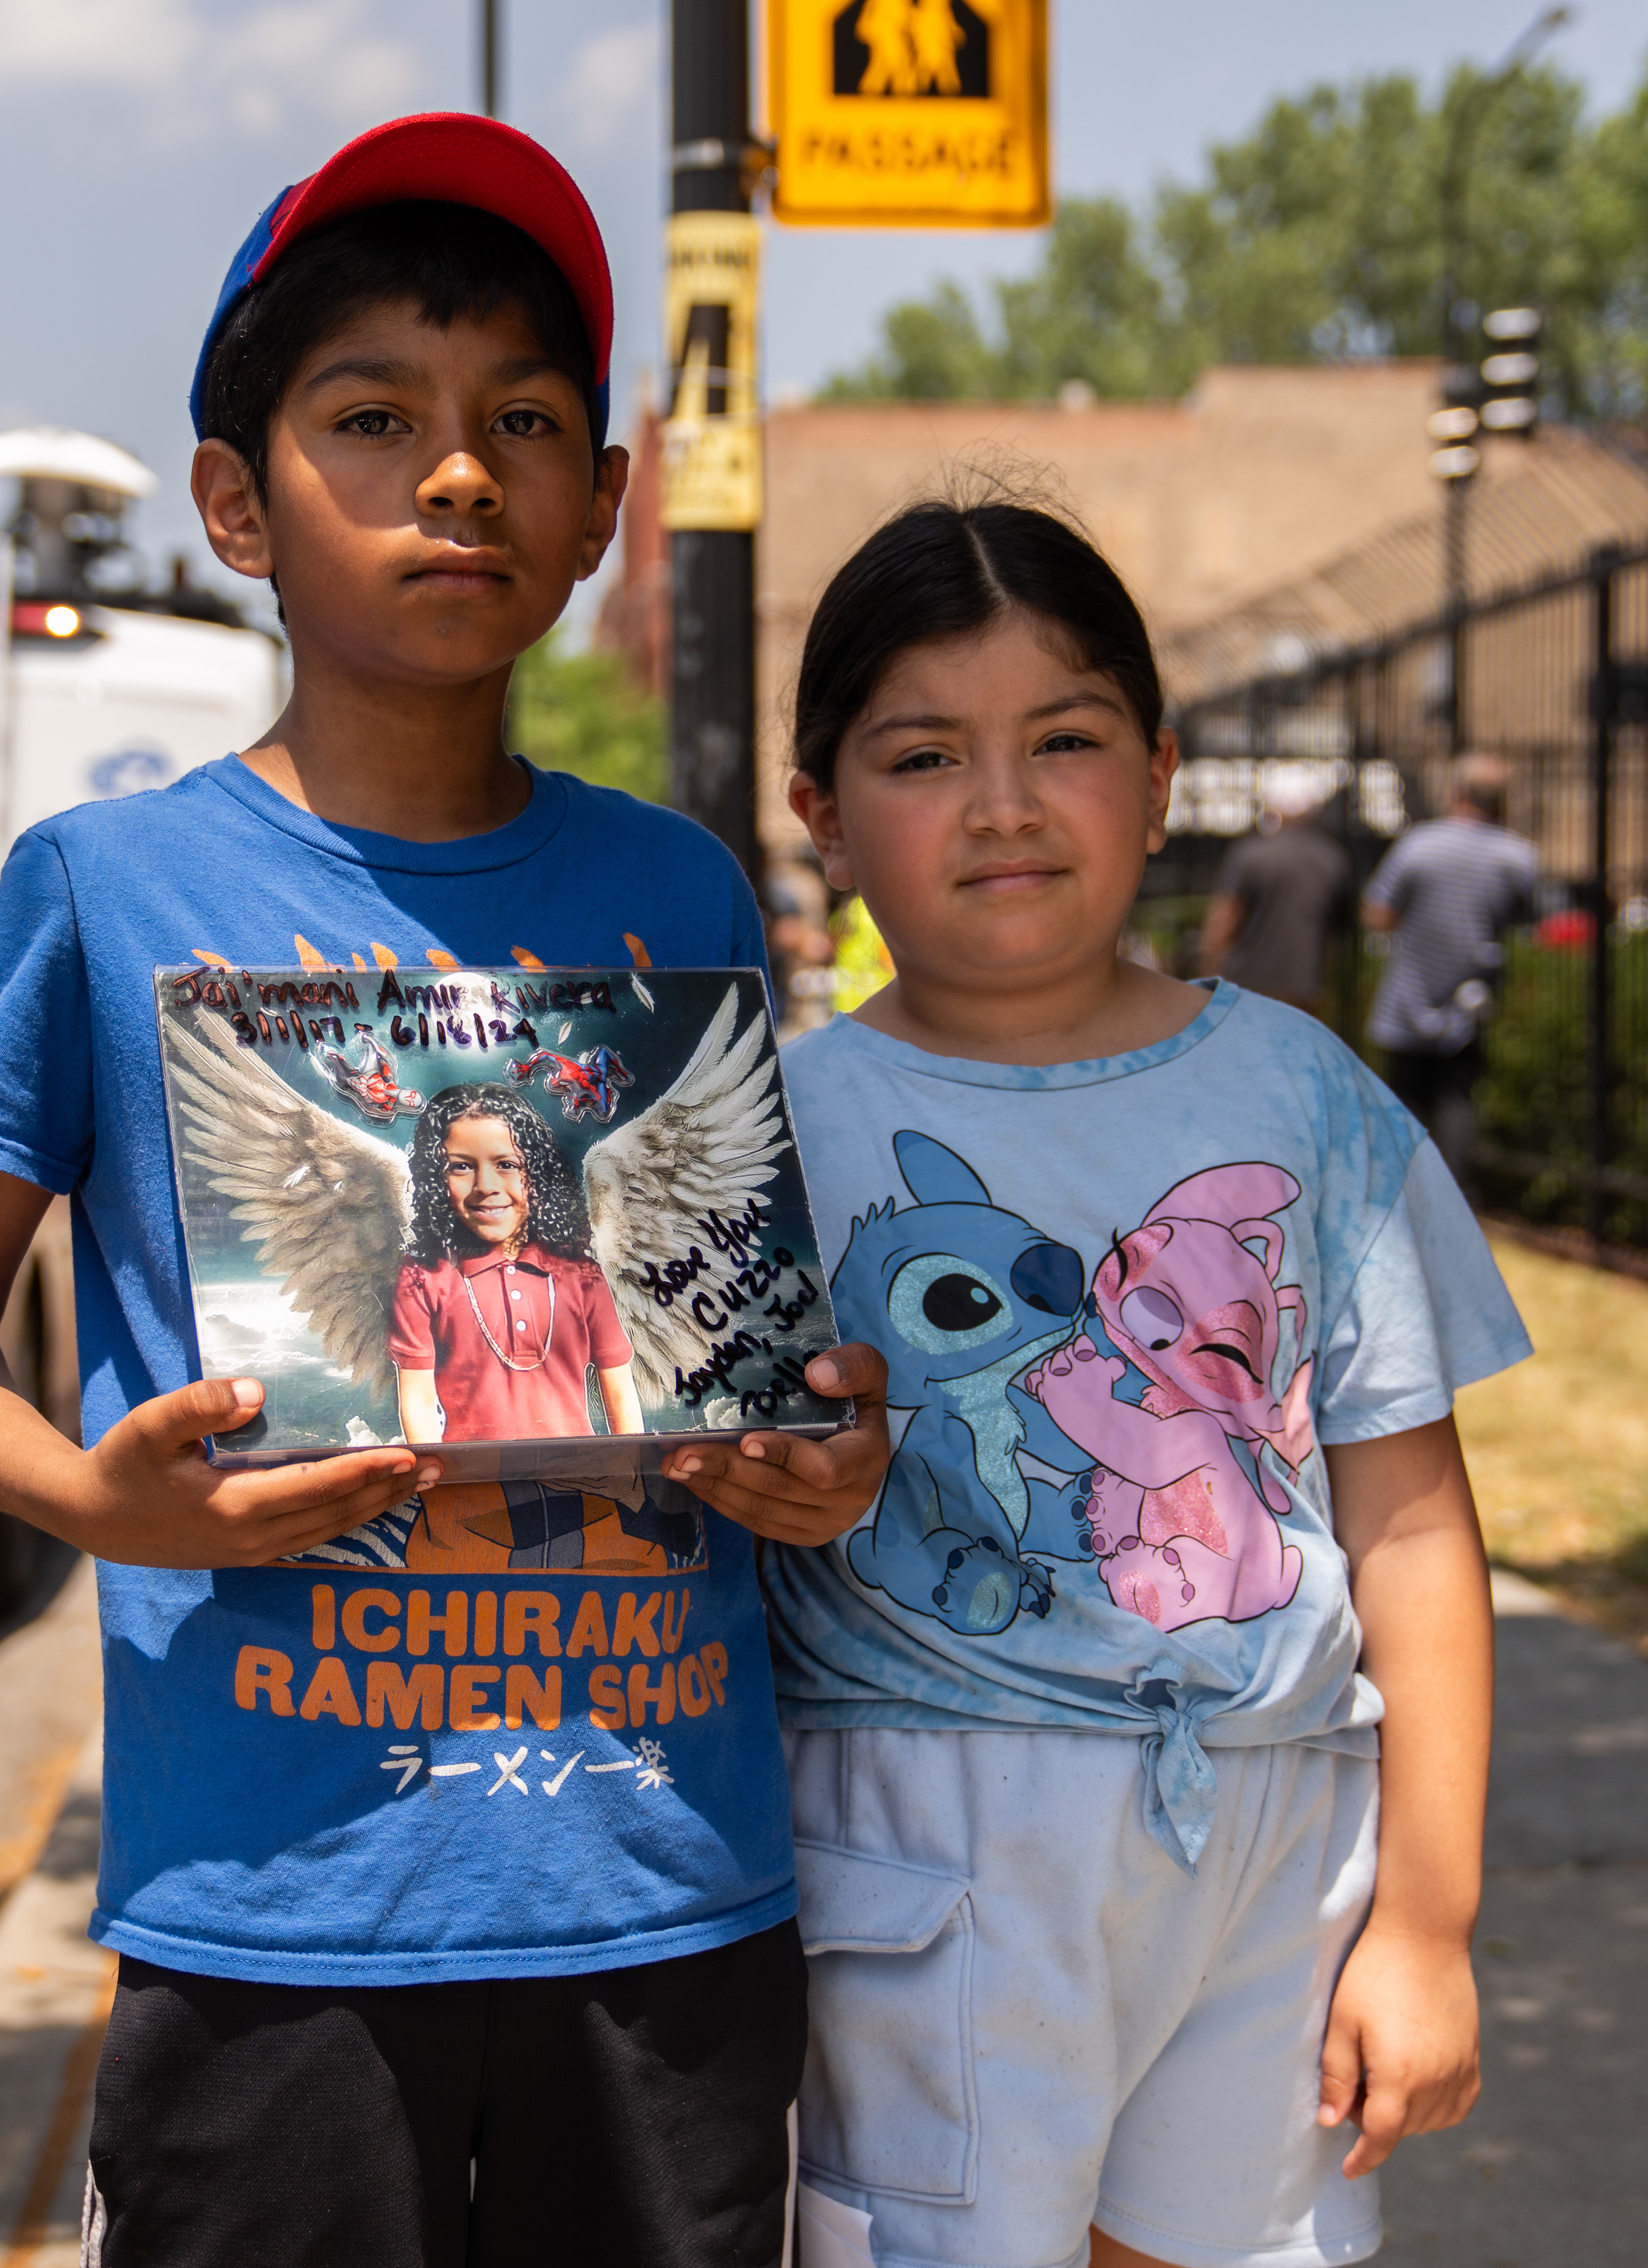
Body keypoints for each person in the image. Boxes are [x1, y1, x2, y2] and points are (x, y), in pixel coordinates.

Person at [0, 114, 891, 2268]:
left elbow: (732, 1323)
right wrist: (91, 1500)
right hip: (272, 1921)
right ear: (234, 499)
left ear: (602, 506)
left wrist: (819, 1454)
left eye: (524, 417)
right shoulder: (103, 888)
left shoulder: (674, 889)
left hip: (666, 1900)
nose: (454, 469)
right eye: (370, 417)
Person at [760, 489, 1531, 2268]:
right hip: (934, 1828)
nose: (1007, 801)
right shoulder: (780, 1121)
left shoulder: (1304, 1095)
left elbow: (1409, 1525)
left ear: (1166, 773)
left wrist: (1426, 1915)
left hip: (1278, 1823)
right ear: (822, 813)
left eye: (1068, 738)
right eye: (927, 752)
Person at [391, 1083, 644, 1444]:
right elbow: (417, 1400)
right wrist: (437, 1479)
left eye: (507, 1165)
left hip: (582, 1480)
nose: (486, 1185)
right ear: (437, 1178)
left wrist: (631, 1468)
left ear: (537, 1174)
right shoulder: (423, 1279)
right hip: (472, 1486)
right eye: (461, 1166)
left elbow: (620, 1392)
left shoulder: (584, 1277)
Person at [1363, 754, 1537, 1191]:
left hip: (1409, 994)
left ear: (1455, 794)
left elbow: (1378, 913)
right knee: (1459, 1098)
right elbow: (1531, 921)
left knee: (1405, 1100)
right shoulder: (1518, 856)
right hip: (1470, 999)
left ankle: (1407, 1196)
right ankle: (1456, 1197)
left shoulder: (1419, 844)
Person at [1198, 771, 1353, 1017]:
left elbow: (1224, 921)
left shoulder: (1250, 855)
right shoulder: (1332, 859)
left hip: (1246, 986)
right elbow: (1337, 933)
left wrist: (1207, 976)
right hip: (1305, 989)